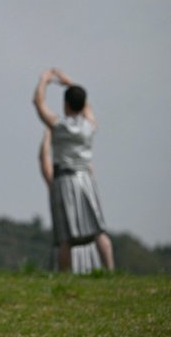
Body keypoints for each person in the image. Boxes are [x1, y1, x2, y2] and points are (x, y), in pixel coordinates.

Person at [33, 67, 114, 272]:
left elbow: (39, 103)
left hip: (64, 180)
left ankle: (65, 276)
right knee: (99, 230)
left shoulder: (58, 127)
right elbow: (86, 106)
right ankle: (111, 270)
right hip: (86, 177)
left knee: (65, 237)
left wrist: (44, 80)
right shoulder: (90, 126)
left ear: (65, 104)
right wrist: (71, 84)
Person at [39, 129, 102, 273]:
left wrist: (48, 136)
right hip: (83, 246)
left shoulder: (59, 183)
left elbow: (44, 163)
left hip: (71, 246)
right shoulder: (86, 179)